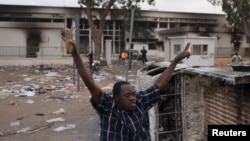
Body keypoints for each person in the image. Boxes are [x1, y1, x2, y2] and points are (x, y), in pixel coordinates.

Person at [62, 28, 191, 141]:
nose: (132, 98)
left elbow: (159, 84)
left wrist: (175, 61)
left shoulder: (141, 102)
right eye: (127, 95)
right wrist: (75, 54)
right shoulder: (109, 107)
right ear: (117, 98)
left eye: (133, 94)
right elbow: (90, 84)